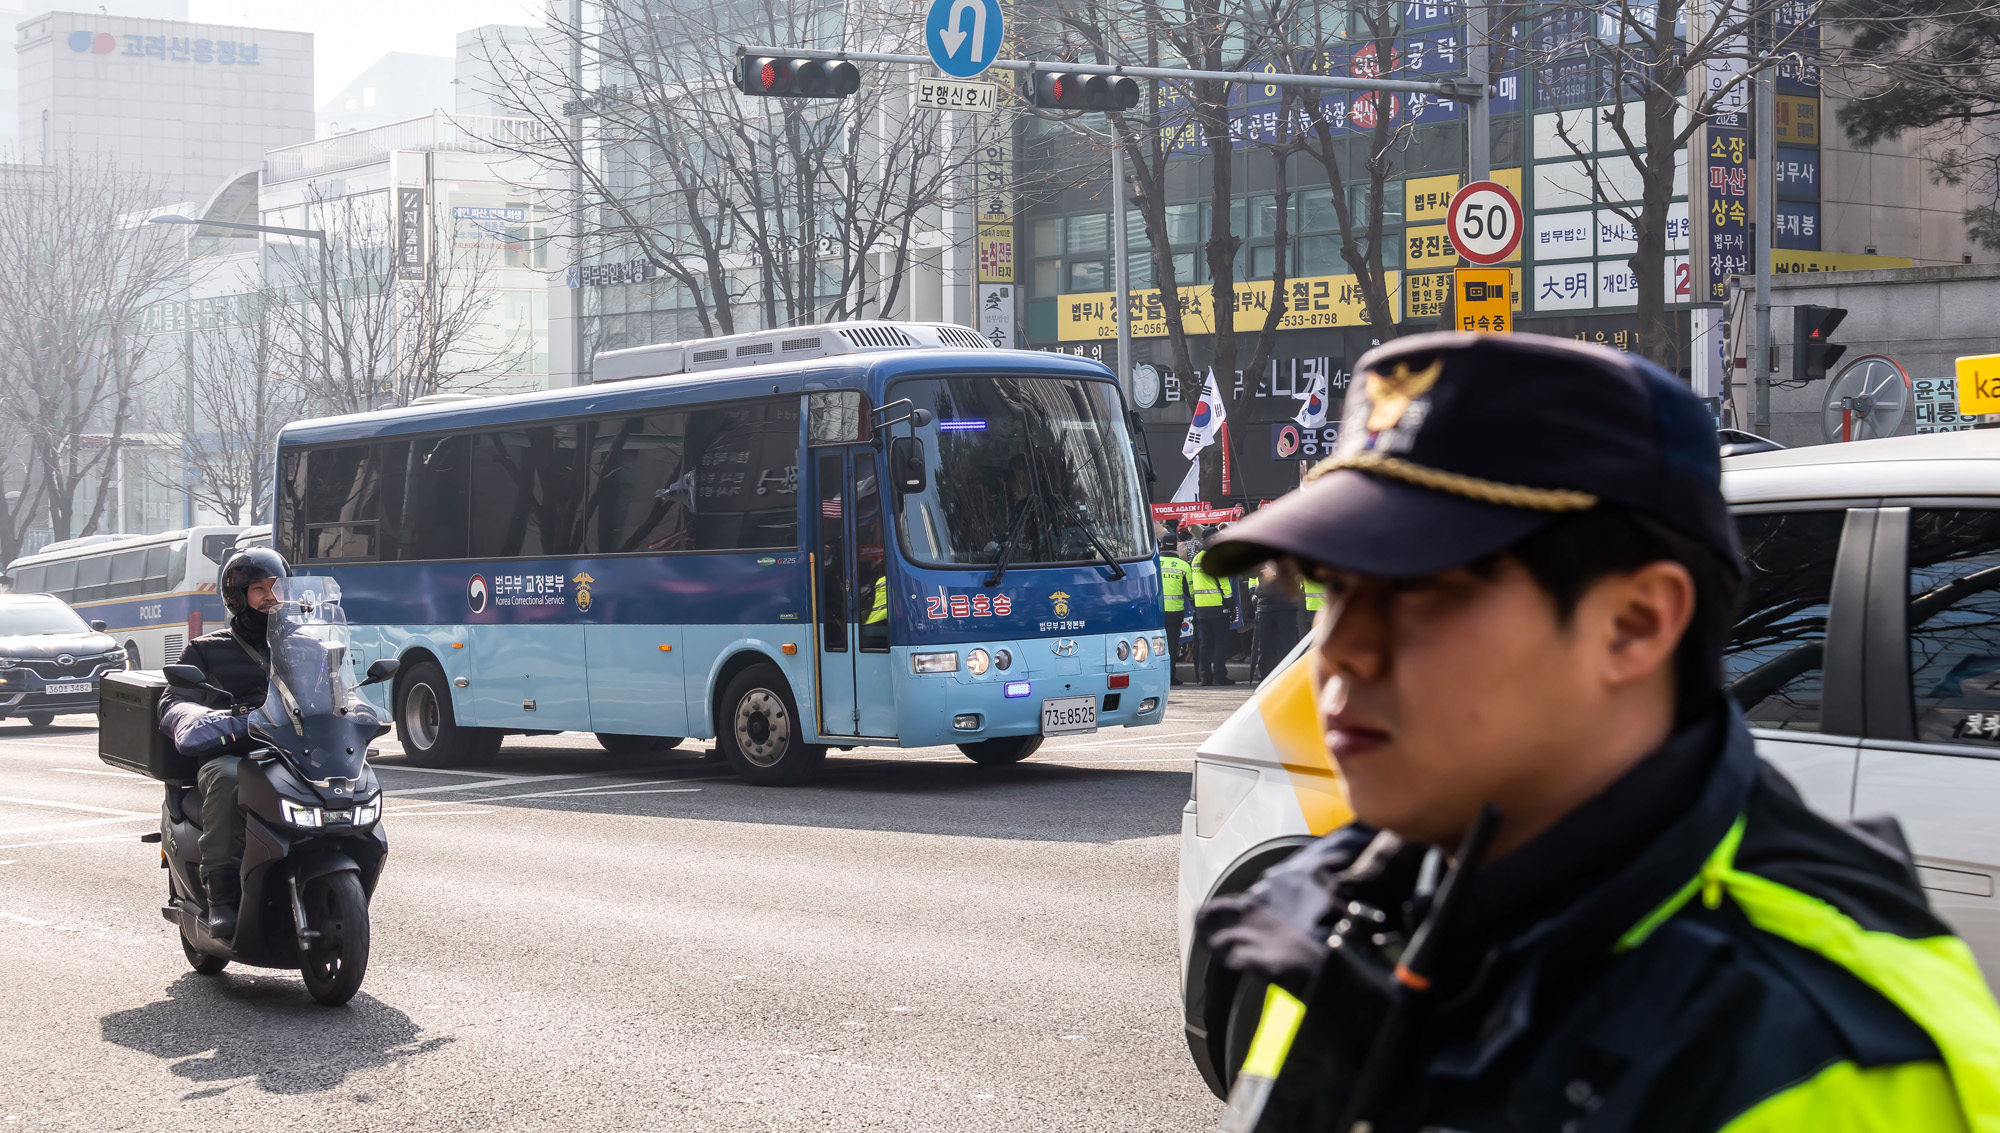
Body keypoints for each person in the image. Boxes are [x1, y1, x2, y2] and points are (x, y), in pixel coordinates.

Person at [1194, 333, 2000, 1132]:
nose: (1339, 650)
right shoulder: (1350, 916)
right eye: (1333, 586)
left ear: (1636, 623)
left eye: (1416, 591)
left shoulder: (1821, 1056)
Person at [159, 547, 290, 939]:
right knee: (229, 777)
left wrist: (354, 712)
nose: (271, 596)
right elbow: (172, 702)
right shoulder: (206, 650)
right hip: (234, 754)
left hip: (292, 754)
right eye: (259, 589)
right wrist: (204, 718)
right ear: (237, 597)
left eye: (276, 587)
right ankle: (222, 896)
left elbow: (333, 691)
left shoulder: (305, 645)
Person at [1189, 546, 1234, 686]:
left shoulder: (1196, 558)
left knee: (1206, 642)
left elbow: (1192, 585)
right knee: (1221, 641)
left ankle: (1205, 677)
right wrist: (1230, 603)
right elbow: (1224, 582)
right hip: (1217, 605)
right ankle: (1219, 676)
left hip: (1201, 606)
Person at [1250, 561, 1303, 679]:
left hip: (1286, 605)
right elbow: (1250, 573)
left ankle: (1286, 677)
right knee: (1265, 646)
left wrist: (1276, 573)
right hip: (1265, 606)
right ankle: (1266, 678)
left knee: (1286, 645)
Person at [1160, 537, 1191, 686]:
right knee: (1171, 646)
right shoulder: (1183, 566)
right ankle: (1170, 677)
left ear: (1161, 545)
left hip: (1156, 613)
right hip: (1175, 612)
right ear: (1176, 546)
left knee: (1155, 645)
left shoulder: (1153, 564)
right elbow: (1190, 592)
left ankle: (1156, 677)